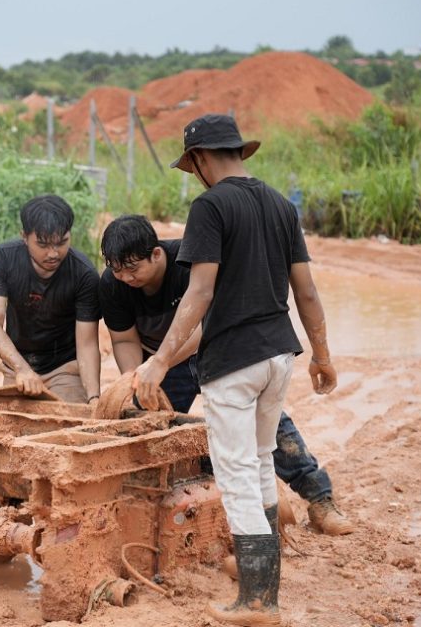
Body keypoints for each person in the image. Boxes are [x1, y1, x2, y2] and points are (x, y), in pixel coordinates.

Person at [131, 114, 338, 626]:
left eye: (191, 165)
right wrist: (323, 355)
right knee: (263, 460)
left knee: (237, 473)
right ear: (236, 151)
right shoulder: (279, 204)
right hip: (277, 357)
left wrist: (158, 361)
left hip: (233, 363)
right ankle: (266, 581)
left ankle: (257, 602)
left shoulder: (210, 206)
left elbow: (200, 292)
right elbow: (306, 291)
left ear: (200, 159)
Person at [99, 214, 353, 536]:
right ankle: (162, 509)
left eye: (133, 269)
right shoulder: (113, 284)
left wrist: (159, 363)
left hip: (217, 353)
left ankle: (319, 500)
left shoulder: (189, 264)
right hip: (162, 366)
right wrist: (134, 379)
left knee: (267, 423)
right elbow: (124, 340)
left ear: (157, 254)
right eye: (117, 270)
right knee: (146, 426)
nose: (125, 277)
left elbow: (203, 328)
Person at [0, 195, 101, 403]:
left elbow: (88, 344)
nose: (53, 253)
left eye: (62, 242)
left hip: (65, 369)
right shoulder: (2, 259)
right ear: (24, 237)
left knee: (68, 428)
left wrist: (93, 397)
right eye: (43, 245)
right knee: (11, 428)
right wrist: (22, 369)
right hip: (17, 365)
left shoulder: (84, 273)